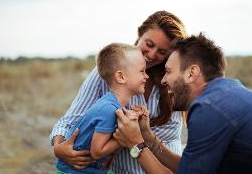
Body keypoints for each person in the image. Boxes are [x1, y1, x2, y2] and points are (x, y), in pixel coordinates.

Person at [113, 33, 252, 174]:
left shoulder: (209, 108)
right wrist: (148, 138)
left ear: (191, 73)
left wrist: (135, 144)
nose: (164, 80)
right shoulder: (226, 96)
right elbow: (188, 167)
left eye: (168, 71)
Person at [49, 10, 188, 173]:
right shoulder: (111, 71)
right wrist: (59, 147)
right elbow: (73, 119)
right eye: (149, 44)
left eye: (162, 52)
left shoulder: (172, 82)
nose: (151, 54)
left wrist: (136, 136)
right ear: (140, 34)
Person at [55, 43, 149, 173]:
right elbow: (97, 152)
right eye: (142, 71)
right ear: (121, 77)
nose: (146, 76)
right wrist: (125, 137)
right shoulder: (107, 109)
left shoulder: (121, 105)